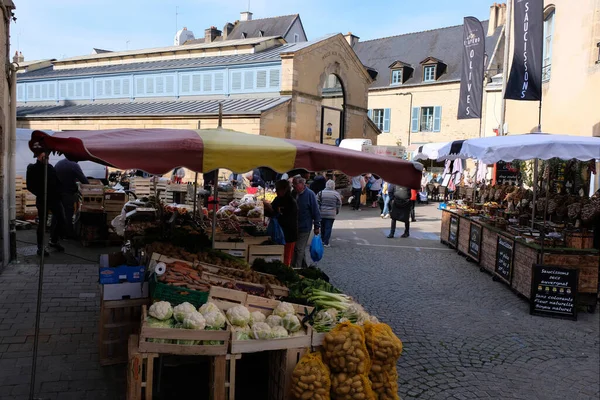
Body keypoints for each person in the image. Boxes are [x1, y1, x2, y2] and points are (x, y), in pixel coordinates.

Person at [27, 145, 65, 256]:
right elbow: (30, 186)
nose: (47, 158)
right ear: (39, 156)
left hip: (54, 199)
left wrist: (60, 192)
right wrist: (40, 193)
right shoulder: (33, 168)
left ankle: (54, 240)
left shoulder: (50, 168)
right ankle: (40, 247)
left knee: (61, 218)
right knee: (42, 224)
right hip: (42, 199)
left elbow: (57, 182)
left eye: (47, 156)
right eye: (44, 156)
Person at [263, 180, 298, 267]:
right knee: (277, 257)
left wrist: (270, 209)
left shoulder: (291, 202)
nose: (276, 191)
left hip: (288, 235)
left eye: (278, 189)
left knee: (286, 259)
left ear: (285, 189)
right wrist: (265, 208)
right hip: (277, 235)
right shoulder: (278, 199)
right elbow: (271, 213)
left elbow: (282, 217)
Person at [54, 158, 89, 238]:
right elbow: (84, 180)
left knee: (58, 213)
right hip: (67, 193)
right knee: (68, 213)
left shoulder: (59, 163)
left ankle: (56, 233)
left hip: (57, 192)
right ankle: (68, 234)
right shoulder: (74, 165)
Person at [291, 176, 321, 268]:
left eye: (295, 184)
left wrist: (317, 226)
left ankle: (297, 268)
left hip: (305, 227)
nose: (294, 186)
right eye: (293, 184)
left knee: (299, 248)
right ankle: (304, 267)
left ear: (302, 184)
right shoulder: (293, 193)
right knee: (296, 248)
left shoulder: (310, 194)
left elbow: (315, 211)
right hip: (294, 227)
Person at [317, 180, 342, 247]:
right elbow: (339, 204)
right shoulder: (336, 194)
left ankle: (322, 239)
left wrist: (318, 211)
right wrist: (337, 211)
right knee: (328, 228)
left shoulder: (321, 192)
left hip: (322, 213)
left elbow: (317, 202)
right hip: (331, 214)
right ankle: (326, 242)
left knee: (322, 226)